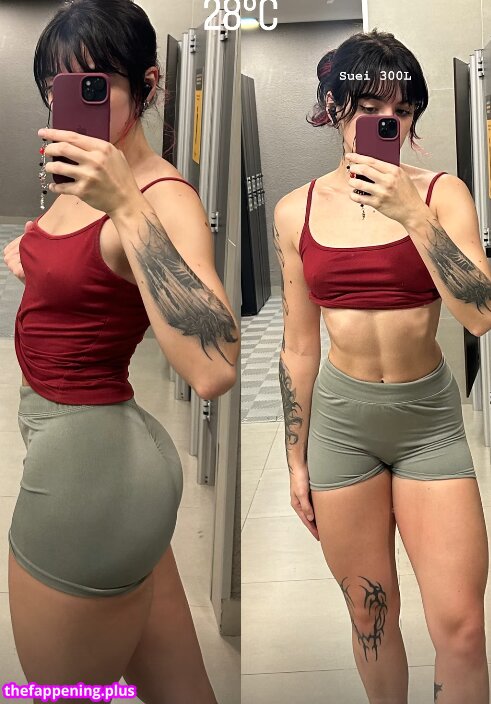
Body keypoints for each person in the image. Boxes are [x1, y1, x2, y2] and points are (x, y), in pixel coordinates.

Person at [2, 1, 239, 703]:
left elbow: (214, 368)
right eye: (57, 86)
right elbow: (92, 265)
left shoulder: (162, 198)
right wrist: (32, 257)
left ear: (148, 84)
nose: (69, 103)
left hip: (86, 481)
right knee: (181, 691)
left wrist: (127, 205)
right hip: (106, 468)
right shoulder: (79, 171)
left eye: (94, 84)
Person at [273, 29, 491, 704]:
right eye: (368, 106)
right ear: (333, 107)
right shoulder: (296, 210)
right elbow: (299, 345)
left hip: (428, 423)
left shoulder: (443, 194)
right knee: (371, 620)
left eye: (401, 109)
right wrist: (295, 458)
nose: (386, 121)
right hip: (342, 427)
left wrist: (412, 217)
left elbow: (479, 314)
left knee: (461, 630)